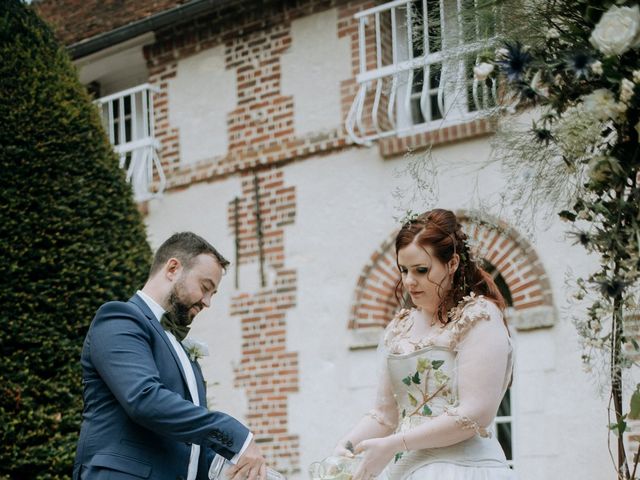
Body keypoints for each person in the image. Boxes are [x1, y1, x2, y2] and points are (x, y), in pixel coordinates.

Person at [333, 209, 515, 480]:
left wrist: (394, 444)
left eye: (421, 270)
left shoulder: (480, 316)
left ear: (452, 264)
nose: (409, 281)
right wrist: (344, 448)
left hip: (464, 469)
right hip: (406, 472)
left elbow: (475, 414)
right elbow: (384, 416)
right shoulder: (398, 328)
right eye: (404, 270)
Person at [73, 232, 267, 480]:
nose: (207, 302)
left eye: (212, 294)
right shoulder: (119, 318)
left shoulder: (181, 345)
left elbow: (187, 445)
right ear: (173, 268)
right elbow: (145, 399)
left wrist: (229, 472)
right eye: (205, 287)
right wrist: (237, 438)